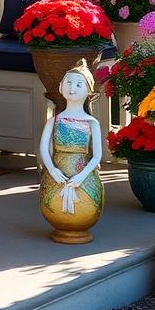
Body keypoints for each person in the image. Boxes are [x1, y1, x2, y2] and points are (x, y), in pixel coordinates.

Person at [38, 59, 104, 243]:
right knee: (53, 202)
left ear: (89, 90)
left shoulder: (92, 123)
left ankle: (79, 225)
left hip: (81, 173)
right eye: (68, 82)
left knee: (86, 203)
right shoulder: (55, 121)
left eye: (78, 84)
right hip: (58, 170)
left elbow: (97, 154)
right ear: (60, 87)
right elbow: (44, 148)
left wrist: (81, 177)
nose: (72, 88)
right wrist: (52, 170)